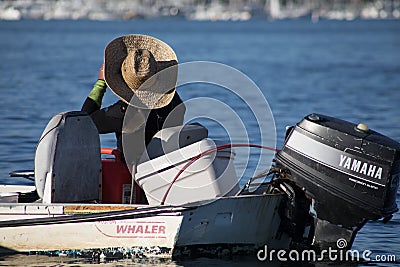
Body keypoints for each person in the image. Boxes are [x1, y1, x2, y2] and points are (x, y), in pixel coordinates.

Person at [81, 34, 185, 154]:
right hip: (164, 161)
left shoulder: (123, 113)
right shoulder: (174, 101)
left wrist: (100, 84)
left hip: (136, 169)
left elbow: (83, 123)